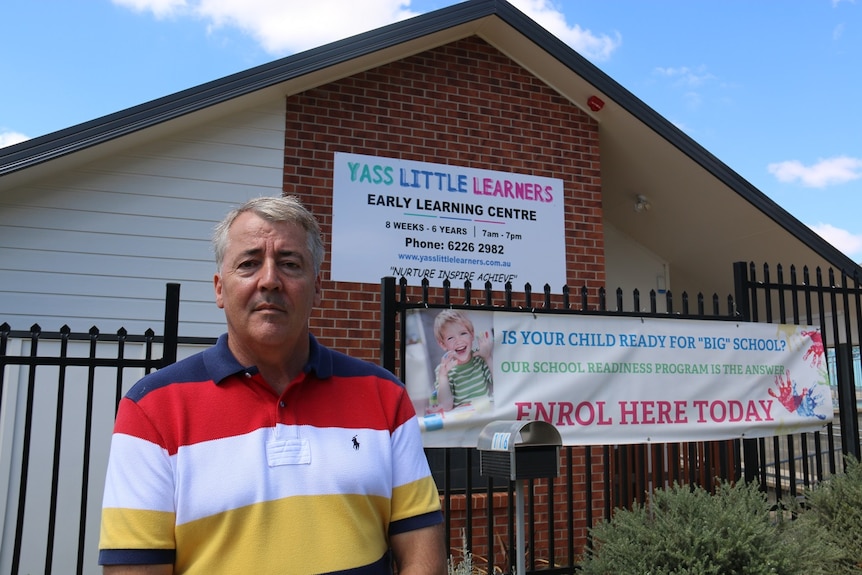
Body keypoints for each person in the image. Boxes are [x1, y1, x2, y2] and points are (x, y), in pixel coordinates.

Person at [98, 196, 445, 575]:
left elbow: (421, 556)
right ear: (219, 289)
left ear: (317, 287)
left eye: (290, 264)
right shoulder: (151, 409)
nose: (269, 280)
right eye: (248, 264)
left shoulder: (385, 396)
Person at [429, 309, 493, 412]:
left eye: (463, 333)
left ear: (472, 335)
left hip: (484, 416)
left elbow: (499, 384)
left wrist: (487, 357)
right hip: (463, 420)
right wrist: (443, 376)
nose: (458, 341)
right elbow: (446, 406)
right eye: (450, 338)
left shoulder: (479, 359)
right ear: (443, 345)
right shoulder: (443, 370)